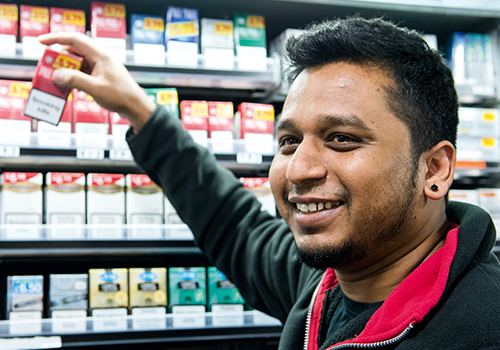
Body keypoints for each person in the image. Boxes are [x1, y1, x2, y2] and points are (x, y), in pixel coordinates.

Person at [39, 17, 500, 349]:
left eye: (341, 138)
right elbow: (236, 228)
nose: (298, 169)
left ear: (435, 170)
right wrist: (140, 110)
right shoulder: (325, 280)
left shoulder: (484, 326)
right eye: (288, 141)